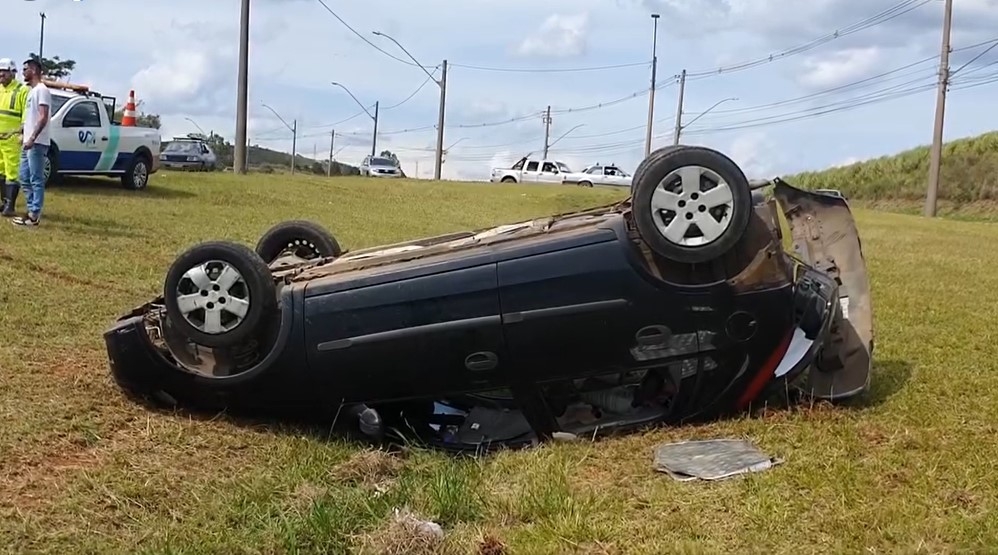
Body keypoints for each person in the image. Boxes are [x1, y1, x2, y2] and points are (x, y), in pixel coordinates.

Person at [12, 57, 50, 227]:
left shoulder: (42, 90)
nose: (23, 73)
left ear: (33, 70)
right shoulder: (32, 92)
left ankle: (34, 215)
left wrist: (33, 137)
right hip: (27, 142)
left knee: (36, 178)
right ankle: (31, 210)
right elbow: (31, 117)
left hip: (37, 143)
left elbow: (43, 117)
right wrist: (22, 132)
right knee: (23, 177)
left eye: (25, 69)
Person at [0, 58, 28, 217]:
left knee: (12, 172)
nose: (1, 74)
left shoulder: (21, 90)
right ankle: (4, 202)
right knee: (1, 171)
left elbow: (26, 115)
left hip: (12, 139)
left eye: (4, 71)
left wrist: (22, 133)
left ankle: (10, 206)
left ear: (12, 73)